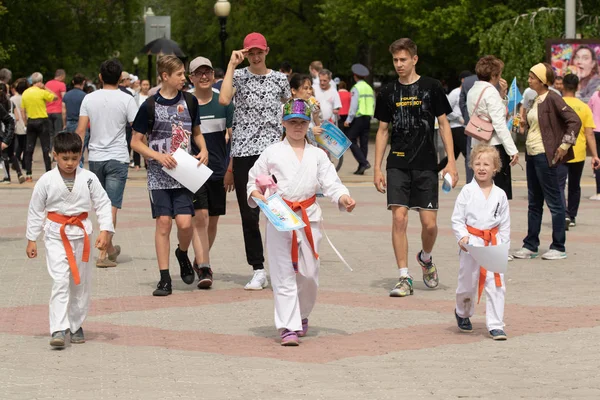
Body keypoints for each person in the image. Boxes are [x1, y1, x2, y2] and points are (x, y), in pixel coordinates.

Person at [247, 98, 356, 346]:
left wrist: (343, 197)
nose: (297, 127)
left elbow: (331, 182)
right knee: (282, 272)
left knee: (308, 274)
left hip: (308, 216)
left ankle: (302, 313)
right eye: (292, 122)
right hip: (279, 216)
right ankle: (288, 326)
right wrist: (255, 193)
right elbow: (254, 180)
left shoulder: (317, 154)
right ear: (283, 123)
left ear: (308, 124)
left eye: (302, 122)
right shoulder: (272, 152)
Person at [373, 38, 458, 297]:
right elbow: (383, 130)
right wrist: (376, 167)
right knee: (399, 217)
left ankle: (426, 258)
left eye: (403, 60)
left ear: (414, 59)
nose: (399, 65)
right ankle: (404, 277)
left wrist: (452, 163)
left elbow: (444, 125)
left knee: (429, 224)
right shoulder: (387, 92)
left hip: (426, 164)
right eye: (395, 60)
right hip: (397, 163)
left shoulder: (431, 87)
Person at [25, 132, 114, 348]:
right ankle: (57, 327)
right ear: (54, 155)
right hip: (56, 233)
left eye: (74, 158)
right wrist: (32, 238)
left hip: (81, 234)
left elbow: (102, 203)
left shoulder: (89, 178)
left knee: (80, 283)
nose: (70, 163)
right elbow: (36, 210)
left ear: (80, 155)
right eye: (65, 158)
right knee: (60, 280)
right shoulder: (46, 180)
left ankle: (75, 325)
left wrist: (105, 231)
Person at [130, 55, 209, 296]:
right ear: (165, 76)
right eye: (179, 75)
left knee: (185, 224)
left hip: (184, 174)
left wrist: (203, 149)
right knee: (163, 223)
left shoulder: (190, 101)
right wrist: (156, 155)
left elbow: (196, 132)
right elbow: (135, 142)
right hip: (158, 175)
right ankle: (165, 279)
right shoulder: (149, 105)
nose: (184, 78)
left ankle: (182, 253)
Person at [219, 32, 291, 290]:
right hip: (244, 153)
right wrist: (231, 65)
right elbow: (224, 99)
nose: (256, 56)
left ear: (267, 51)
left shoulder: (280, 79)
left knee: (277, 210)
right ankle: (258, 268)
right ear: (245, 53)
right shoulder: (238, 76)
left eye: (259, 51)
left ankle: (283, 265)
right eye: (251, 52)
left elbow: (291, 108)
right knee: (249, 215)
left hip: (273, 154)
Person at [513, 63, 580, 260]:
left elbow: (574, 121)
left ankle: (558, 246)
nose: (529, 80)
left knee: (555, 202)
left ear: (542, 80)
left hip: (546, 156)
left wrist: (564, 147)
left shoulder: (553, 98)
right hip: (532, 155)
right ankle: (530, 245)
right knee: (534, 202)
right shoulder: (535, 99)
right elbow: (539, 125)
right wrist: (524, 123)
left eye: (532, 77)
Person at [76, 59, 138, 267]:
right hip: (118, 156)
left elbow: (81, 130)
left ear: (100, 77)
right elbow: (136, 128)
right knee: (111, 205)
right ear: (121, 78)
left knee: (100, 204)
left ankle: (110, 248)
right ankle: (104, 253)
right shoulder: (127, 99)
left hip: (95, 157)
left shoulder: (89, 99)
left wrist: (76, 157)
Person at [451, 144, 509, 341]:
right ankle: (463, 312)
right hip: (471, 243)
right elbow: (457, 219)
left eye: (486, 164)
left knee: (496, 284)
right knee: (467, 283)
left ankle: (496, 325)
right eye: (478, 163)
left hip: (493, 243)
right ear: (471, 166)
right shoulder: (467, 191)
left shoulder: (500, 194)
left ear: (495, 168)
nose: (482, 168)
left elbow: (505, 224)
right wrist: (462, 237)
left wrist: (503, 246)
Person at [188, 56, 234, 289]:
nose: (204, 76)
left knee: (213, 220)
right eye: (199, 73)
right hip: (193, 171)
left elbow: (235, 137)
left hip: (218, 170)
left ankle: (198, 260)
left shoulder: (224, 102)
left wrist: (230, 168)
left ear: (214, 76)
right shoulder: (185, 102)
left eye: (208, 72)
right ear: (191, 78)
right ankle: (205, 267)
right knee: (200, 218)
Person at [467, 56, 519, 199]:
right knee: (497, 193)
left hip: (477, 143)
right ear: (494, 75)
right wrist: (512, 150)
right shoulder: (490, 92)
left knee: (481, 189)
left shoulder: (473, 90)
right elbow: (499, 124)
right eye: (499, 74)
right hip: (493, 145)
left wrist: (502, 95)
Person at [558, 74, 600, 226]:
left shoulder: (557, 104)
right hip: (579, 152)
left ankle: (563, 215)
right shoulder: (584, 107)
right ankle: (572, 216)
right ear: (577, 87)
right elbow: (589, 134)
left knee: (559, 185)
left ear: (562, 85)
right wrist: (595, 155)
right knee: (575, 185)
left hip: (560, 151)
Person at [21, 72, 57, 181]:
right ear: (40, 81)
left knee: (29, 148)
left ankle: (28, 174)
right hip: (42, 121)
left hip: (31, 121)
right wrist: (45, 88)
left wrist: (25, 122)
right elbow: (55, 97)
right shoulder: (42, 92)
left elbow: (23, 110)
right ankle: (48, 173)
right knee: (45, 148)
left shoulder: (25, 93)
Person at [344, 63, 375, 175]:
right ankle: (361, 167)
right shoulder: (369, 88)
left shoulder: (356, 88)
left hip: (358, 117)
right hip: (367, 117)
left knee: (350, 139)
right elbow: (373, 103)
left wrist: (348, 119)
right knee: (364, 142)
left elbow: (354, 105)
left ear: (355, 76)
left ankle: (364, 162)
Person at [444, 71, 471, 170]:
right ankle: (472, 174)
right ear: (463, 80)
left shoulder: (468, 93)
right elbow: (446, 110)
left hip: (465, 127)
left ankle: (436, 169)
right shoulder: (455, 93)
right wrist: (459, 118)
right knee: (468, 152)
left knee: (453, 155)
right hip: (456, 127)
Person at [0, 91, 21, 183]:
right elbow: (16, 118)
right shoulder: (11, 103)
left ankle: (7, 177)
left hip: (4, 134)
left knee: (5, 154)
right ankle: (19, 173)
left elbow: (10, 121)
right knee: (11, 154)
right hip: (8, 134)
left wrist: (6, 139)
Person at [45, 69, 67, 148]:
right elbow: (64, 98)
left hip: (47, 111)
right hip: (58, 111)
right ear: (61, 76)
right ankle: (56, 153)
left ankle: (49, 151)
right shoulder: (62, 84)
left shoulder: (47, 84)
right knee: (58, 133)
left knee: (50, 134)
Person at [10, 79, 28, 168]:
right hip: (25, 122)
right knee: (26, 146)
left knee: (20, 145)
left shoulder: (12, 99)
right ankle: (24, 163)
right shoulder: (26, 97)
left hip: (17, 123)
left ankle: (15, 161)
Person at [587, 89, 600, 200]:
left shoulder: (595, 95)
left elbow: (589, 111)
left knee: (597, 160)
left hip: (596, 131)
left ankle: (599, 192)